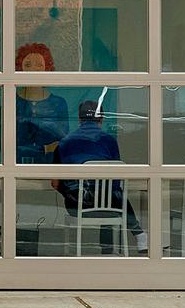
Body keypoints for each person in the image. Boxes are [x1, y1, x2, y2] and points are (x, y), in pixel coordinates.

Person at [55, 98, 148, 253]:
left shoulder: (65, 142)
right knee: (112, 196)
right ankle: (127, 240)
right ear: (102, 119)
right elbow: (115, 178)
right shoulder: (109, 140)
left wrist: (69, 192)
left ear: (79, 118)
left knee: (107, 197)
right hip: (110, 204)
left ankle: (129, 239)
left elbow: (55, 183)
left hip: (77, 205)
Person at [14, 43, 69, 165]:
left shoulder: (58, 103)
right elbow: (2, 140)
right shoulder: (11, 102)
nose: (34, 69)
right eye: (28, 65)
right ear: (20, 69)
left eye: (39, 65)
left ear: (47, 68)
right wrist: (44, 149)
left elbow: (62, 141)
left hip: (49, 170)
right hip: (16, 169)